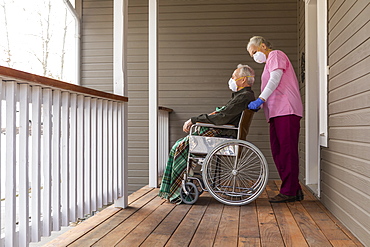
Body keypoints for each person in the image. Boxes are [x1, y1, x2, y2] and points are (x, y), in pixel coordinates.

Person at [159, 64, 256, 203]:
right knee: (179, 145)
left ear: (243, 80)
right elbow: (223, 115)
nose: (231, 79)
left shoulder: (243, 97)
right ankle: (180, 183)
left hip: (223, 136)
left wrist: (194, 120)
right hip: (224, 133)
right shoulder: (244, 96)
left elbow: (221, 118)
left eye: (234, 77)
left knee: (179, 147)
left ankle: (176, 189)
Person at [246, 36, 304, 203]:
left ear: (263, 46)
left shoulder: (276, 55)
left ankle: (289, 191)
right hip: (276, 112)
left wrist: (261, 99)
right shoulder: (268, 63)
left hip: (286, 109)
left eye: (255, 52)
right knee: (279, 151)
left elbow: (275, 79)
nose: (254, 56)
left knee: (286, 150)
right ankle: (295, 188)